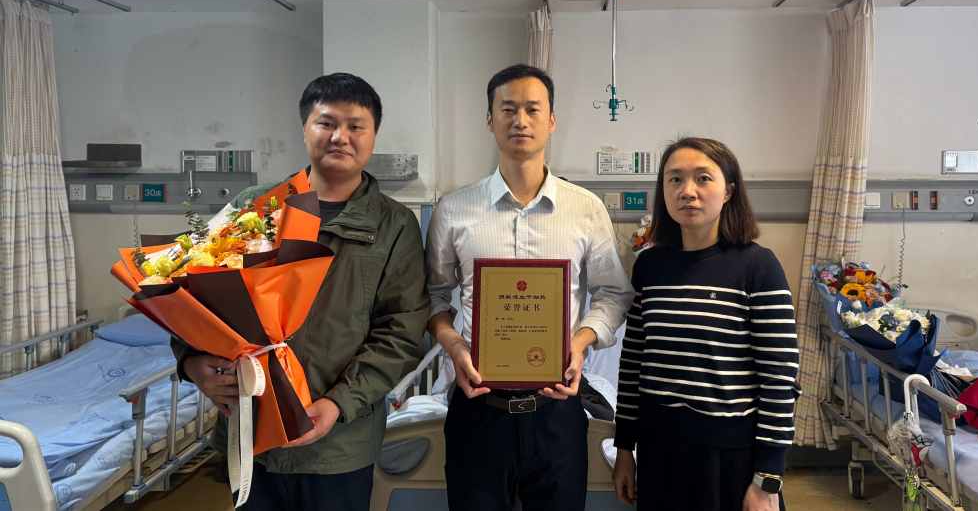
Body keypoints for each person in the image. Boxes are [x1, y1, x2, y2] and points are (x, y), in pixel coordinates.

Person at [174, 72, 430, 510]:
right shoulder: (256, 207)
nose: (340, 137)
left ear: (373, 136)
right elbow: (194, 294)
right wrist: (191, 362)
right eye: (326, 123)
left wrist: (339, 403)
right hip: (252, 431)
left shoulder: (394, 226)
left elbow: (402, 332)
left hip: (340, 444)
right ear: (305, 128)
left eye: (355, 126)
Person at [426, 64, 633, 511]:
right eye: (508, 109)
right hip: (478, 407)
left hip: (556, 410)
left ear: (551, 120)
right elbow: (434, 295)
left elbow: (613, 293)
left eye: (532, 109)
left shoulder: (585, 209)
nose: (520, 120)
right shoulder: (453, 210)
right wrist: (454, 345)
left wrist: (579, 343)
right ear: (490, 120)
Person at [612, 137, 800, 511]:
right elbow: (633, 364)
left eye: (703, 178)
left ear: (728, 191)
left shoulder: (757, 267)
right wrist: (625, 449)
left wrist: (767, 478)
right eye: (675, 179)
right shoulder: (650, 267)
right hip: (659, 451)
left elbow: (780, 378)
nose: (688, 191)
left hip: (730, 460)